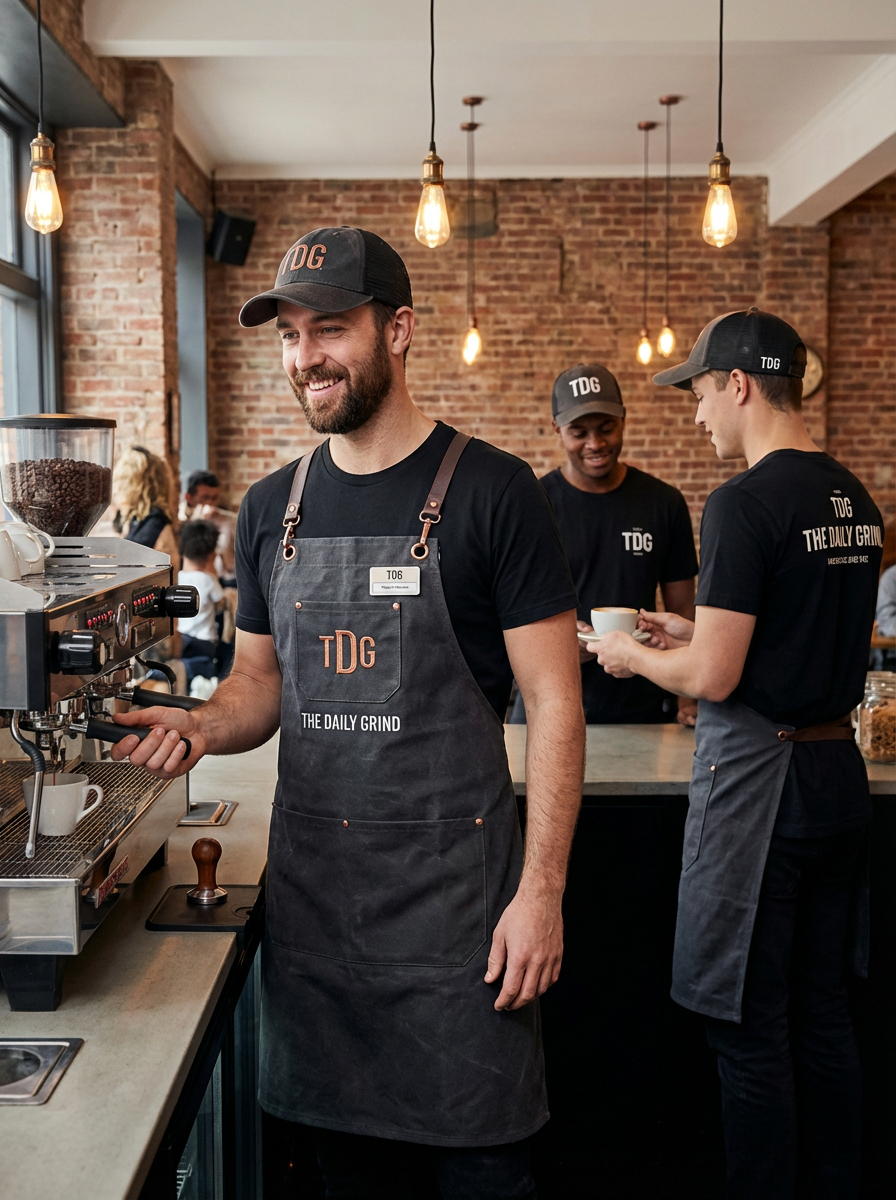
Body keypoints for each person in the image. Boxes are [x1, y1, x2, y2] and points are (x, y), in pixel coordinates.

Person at [110, 225, 585, 1199]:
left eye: (328, 328)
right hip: (319, 942)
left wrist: (540, 896)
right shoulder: (270, 507)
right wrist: (200, 725)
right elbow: (257, 687)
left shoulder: (493, 495)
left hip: (464, 942)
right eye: (287, 335)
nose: (304, 357)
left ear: (399, 329)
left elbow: (554, 703)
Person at [592, 307, 883, 1200]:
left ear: (742, 385)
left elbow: (712, 679)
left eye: (702, 392)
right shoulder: (854, 498)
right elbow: (783, 635)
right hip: (838, 781)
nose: (696, 414)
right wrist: (690, 626)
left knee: (749, 1028)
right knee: (825, 1016)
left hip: (765, 793)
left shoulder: (745, 503)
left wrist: (633, 652)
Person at [510, 363, 698, 726]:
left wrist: (687, 700)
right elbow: (506, 609)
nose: (595, 444)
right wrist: (558, 642)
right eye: (579, 432)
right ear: (557, 429)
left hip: (639, 699)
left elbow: (682, 612)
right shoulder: (533, 502)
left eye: (606, 429)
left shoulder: (663, 502)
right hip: (546, 699)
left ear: (624, 421)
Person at [113, 445, 179, 571]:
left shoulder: (154, 523)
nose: (116, 489)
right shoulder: (138, 521)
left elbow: (128, 568)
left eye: (121, 481)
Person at [177, 519, 225, 686]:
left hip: (182, 639)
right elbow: (221, 603)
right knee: (205, 683)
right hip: (204, 643)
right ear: (211, 555)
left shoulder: (178, 578)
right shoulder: (209, 580)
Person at [180, 468, 238, 585]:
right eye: (205, 498)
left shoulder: (229, 521)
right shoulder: (181, 521)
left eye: (214, 498)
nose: (211, 503)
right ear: (189, 498)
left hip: (226, 580)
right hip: (194, 580)